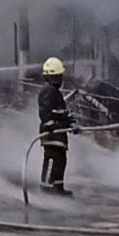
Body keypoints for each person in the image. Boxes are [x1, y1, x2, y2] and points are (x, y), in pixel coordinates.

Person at [36, 57, 73, 193]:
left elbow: (59, 112)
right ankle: (46, 190)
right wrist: (51, 126)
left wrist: (69, 122)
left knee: (60, 161)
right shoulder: (48, 91)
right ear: (56, 77)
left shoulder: (54, 92)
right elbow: (45, 113)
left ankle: (58, 188)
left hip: (58, 134)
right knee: (52, 160)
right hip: (52, 135)